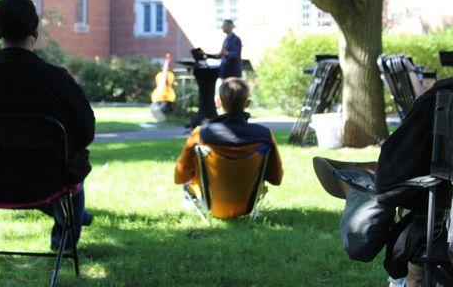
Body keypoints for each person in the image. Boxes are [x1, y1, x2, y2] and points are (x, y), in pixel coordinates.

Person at [0, 0, 95, 250]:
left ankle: (74, 218)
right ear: (35, 30)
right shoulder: (57, 79)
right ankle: (65, 239)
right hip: (47, 181)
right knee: (77, 157)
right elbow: (86, 133)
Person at [314, 77, 453, 286]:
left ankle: (361, 183)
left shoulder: (444, 95)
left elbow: (395, 173)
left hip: (442, 234)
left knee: (406, 193)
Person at [174, 77, 283, 218]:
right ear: (247, 103)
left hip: (210, 205)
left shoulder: (200, 134)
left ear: (218, 101)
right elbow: (276, 179)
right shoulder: (265, 135)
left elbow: (180, 177)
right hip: (247, 207)